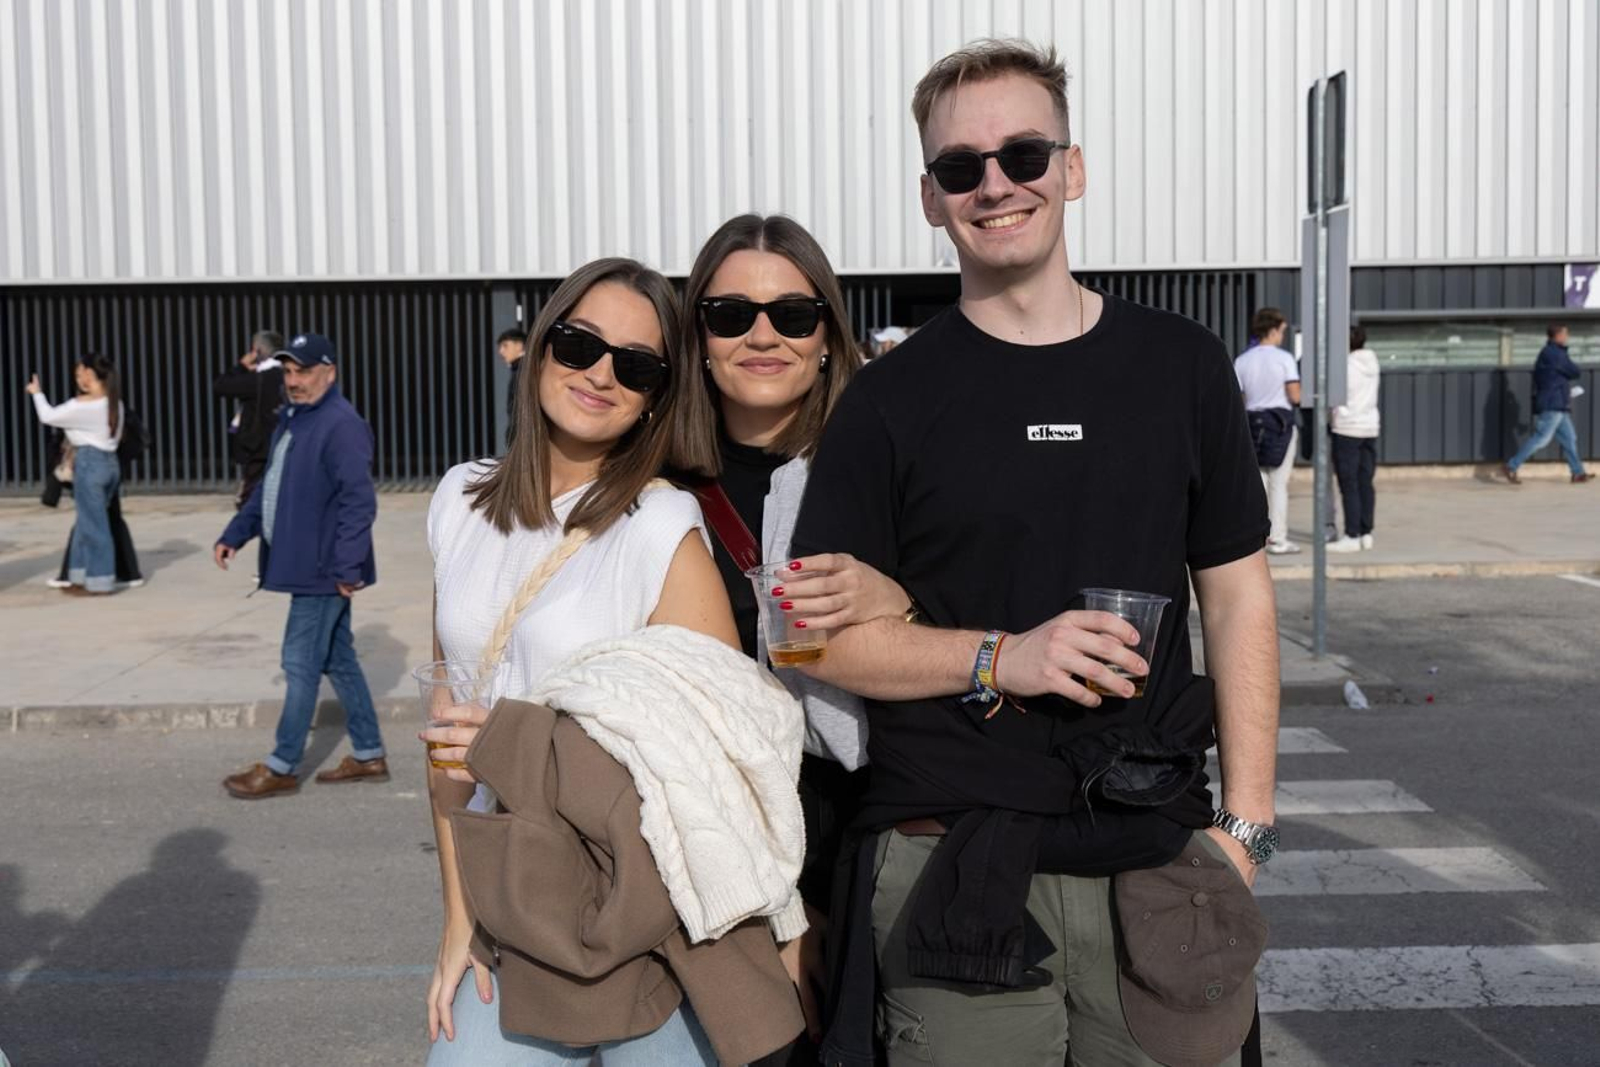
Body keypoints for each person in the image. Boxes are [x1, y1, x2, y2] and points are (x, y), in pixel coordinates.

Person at [791, 40, 1279, 1067]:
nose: (995, 185)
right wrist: (1001, 656)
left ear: (1072, 168)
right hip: (950, 855)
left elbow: (1237, 598)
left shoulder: (1180, 365)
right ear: (930, 198)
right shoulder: (885, 400)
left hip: (1157, 849)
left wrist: (1246, 826)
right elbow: (817, 643)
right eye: (960, 166)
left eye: (1023, 154)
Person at [421, 258, 801, 1065]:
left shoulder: (659, 525)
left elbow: (716, 754)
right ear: (540, 347)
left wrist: (520, 744)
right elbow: (447, 740)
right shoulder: (460, 500)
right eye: (579, 344)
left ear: (656, 396)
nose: (600, 374)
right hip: (509, 896)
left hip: (636, 905)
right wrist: (458, 916)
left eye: (635, 366)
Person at [677, 214, 914, 1057]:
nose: (762, 335)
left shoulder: (892, 466)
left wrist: (900, 602)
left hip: (871, 831)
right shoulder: (652, 486)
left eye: (792, 313)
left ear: (827, 335)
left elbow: (974, 638)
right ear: (698, 337)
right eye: (730, 314)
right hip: (716, 850)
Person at [213, 333, 388, 799]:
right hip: (306, 564)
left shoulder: (341, 425)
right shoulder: (293, 419)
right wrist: (235, 533)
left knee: (299, 661)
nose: (294, 380)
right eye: (288, 371)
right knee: (337, 659)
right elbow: (268, 488)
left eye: (304, 371)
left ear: (329, 373)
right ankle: (369, 754)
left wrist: (347, 567)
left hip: (323, 569)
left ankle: (282, 764)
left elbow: (358, 502)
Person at [26, 354, 129, 596]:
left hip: (89, 464)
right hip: (109, 464)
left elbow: (48, 416)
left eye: (80, 373)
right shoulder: (114, 403)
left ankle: (100, 581)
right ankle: (80, 576)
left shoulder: (83, 406)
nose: (78, 378)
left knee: (94, 526)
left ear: (90, 375)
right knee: (87, 522)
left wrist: (37, 393)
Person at [1235, 307, 1302, 554]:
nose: (1282, 336)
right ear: (1273, 330)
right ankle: (1278, 537)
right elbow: (1295, 395)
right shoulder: (1284, 359)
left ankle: (1257, 536)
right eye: (1282, 331)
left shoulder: (1242, 360)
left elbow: (1240, 398)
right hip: (1280, 422)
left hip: (1252, 422)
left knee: (1258, 482)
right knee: (1278, 483)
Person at [1504, 324, 1592, 485]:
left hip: (1558, 403)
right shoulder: (1553, 353)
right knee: (1541, 439)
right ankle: (1512, 465)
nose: (1567, 337)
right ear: (1557, 335)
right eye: (1565, 334)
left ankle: (1578, 473)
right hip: (1552, 403)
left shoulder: (1552, 353)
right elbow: (1574, 371)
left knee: (1569, 438)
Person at [212, 330, 286, 509]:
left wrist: (241, 366)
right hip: (286, 444)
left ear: (256, 351)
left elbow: (220, 385)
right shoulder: (290, 376)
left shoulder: (256, 379)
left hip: (259, 449)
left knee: (251, 501)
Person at [1328, 324, 1381, 552]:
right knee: (1365, 481)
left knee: (1348, 483)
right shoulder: (1372, 362)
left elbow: (1334, 397)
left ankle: (1352, 534)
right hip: (1369, 427)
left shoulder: (1344, 367)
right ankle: (1366, 532)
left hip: (1347, 428)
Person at [497, 326, 529, 425]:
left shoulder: (524, 370)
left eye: (505, 345)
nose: (501, 351)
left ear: (519, 345)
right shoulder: (521, 368)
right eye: (500, 347)